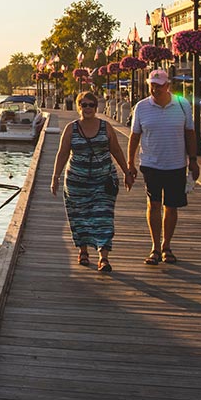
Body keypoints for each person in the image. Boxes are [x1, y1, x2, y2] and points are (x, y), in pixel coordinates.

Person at [51, 91, 133, 272]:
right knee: (79, 216)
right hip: (76, 182)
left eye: (91, 105)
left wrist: (127, 172)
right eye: (84, 105)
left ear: (96, 107)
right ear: (79, 107)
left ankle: (103, 257)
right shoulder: (71, 129)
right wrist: (55, 176)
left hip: (103, 180)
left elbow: (117, 150)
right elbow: (63, 152)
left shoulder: (106, 127)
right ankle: (83, 251)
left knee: (103, 216)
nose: (88, 108)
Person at [127, 69, 198, 266]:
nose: (155, 89)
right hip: (151, 163)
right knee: (154, 204)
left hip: (176, 164)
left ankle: (167, 245)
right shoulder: (141, 107)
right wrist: (130, 163)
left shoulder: (182, 105)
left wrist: (193, 160)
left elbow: (190, 133)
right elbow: (134, 136)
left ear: (168, 85)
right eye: (152, 85)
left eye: (158, 85)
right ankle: (155, 247)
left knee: (171, 206)